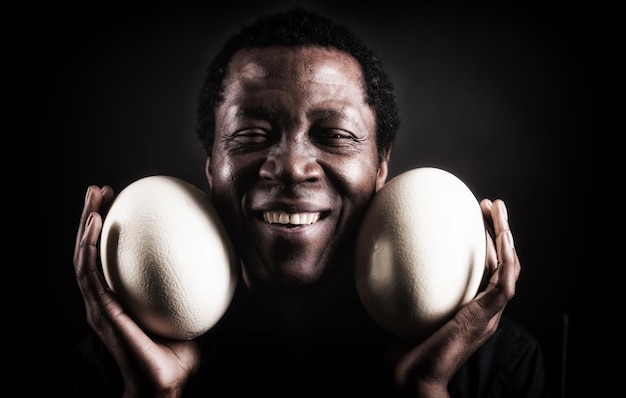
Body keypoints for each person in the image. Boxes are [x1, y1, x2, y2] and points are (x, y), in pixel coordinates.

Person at [72, 7, 552, 398]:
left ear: (382, 164)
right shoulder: (123, 361)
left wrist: (426, 389)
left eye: (335, 135)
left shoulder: (496, 367)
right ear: (210, 162)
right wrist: (153, 393)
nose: (292, 165)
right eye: (251, 134)